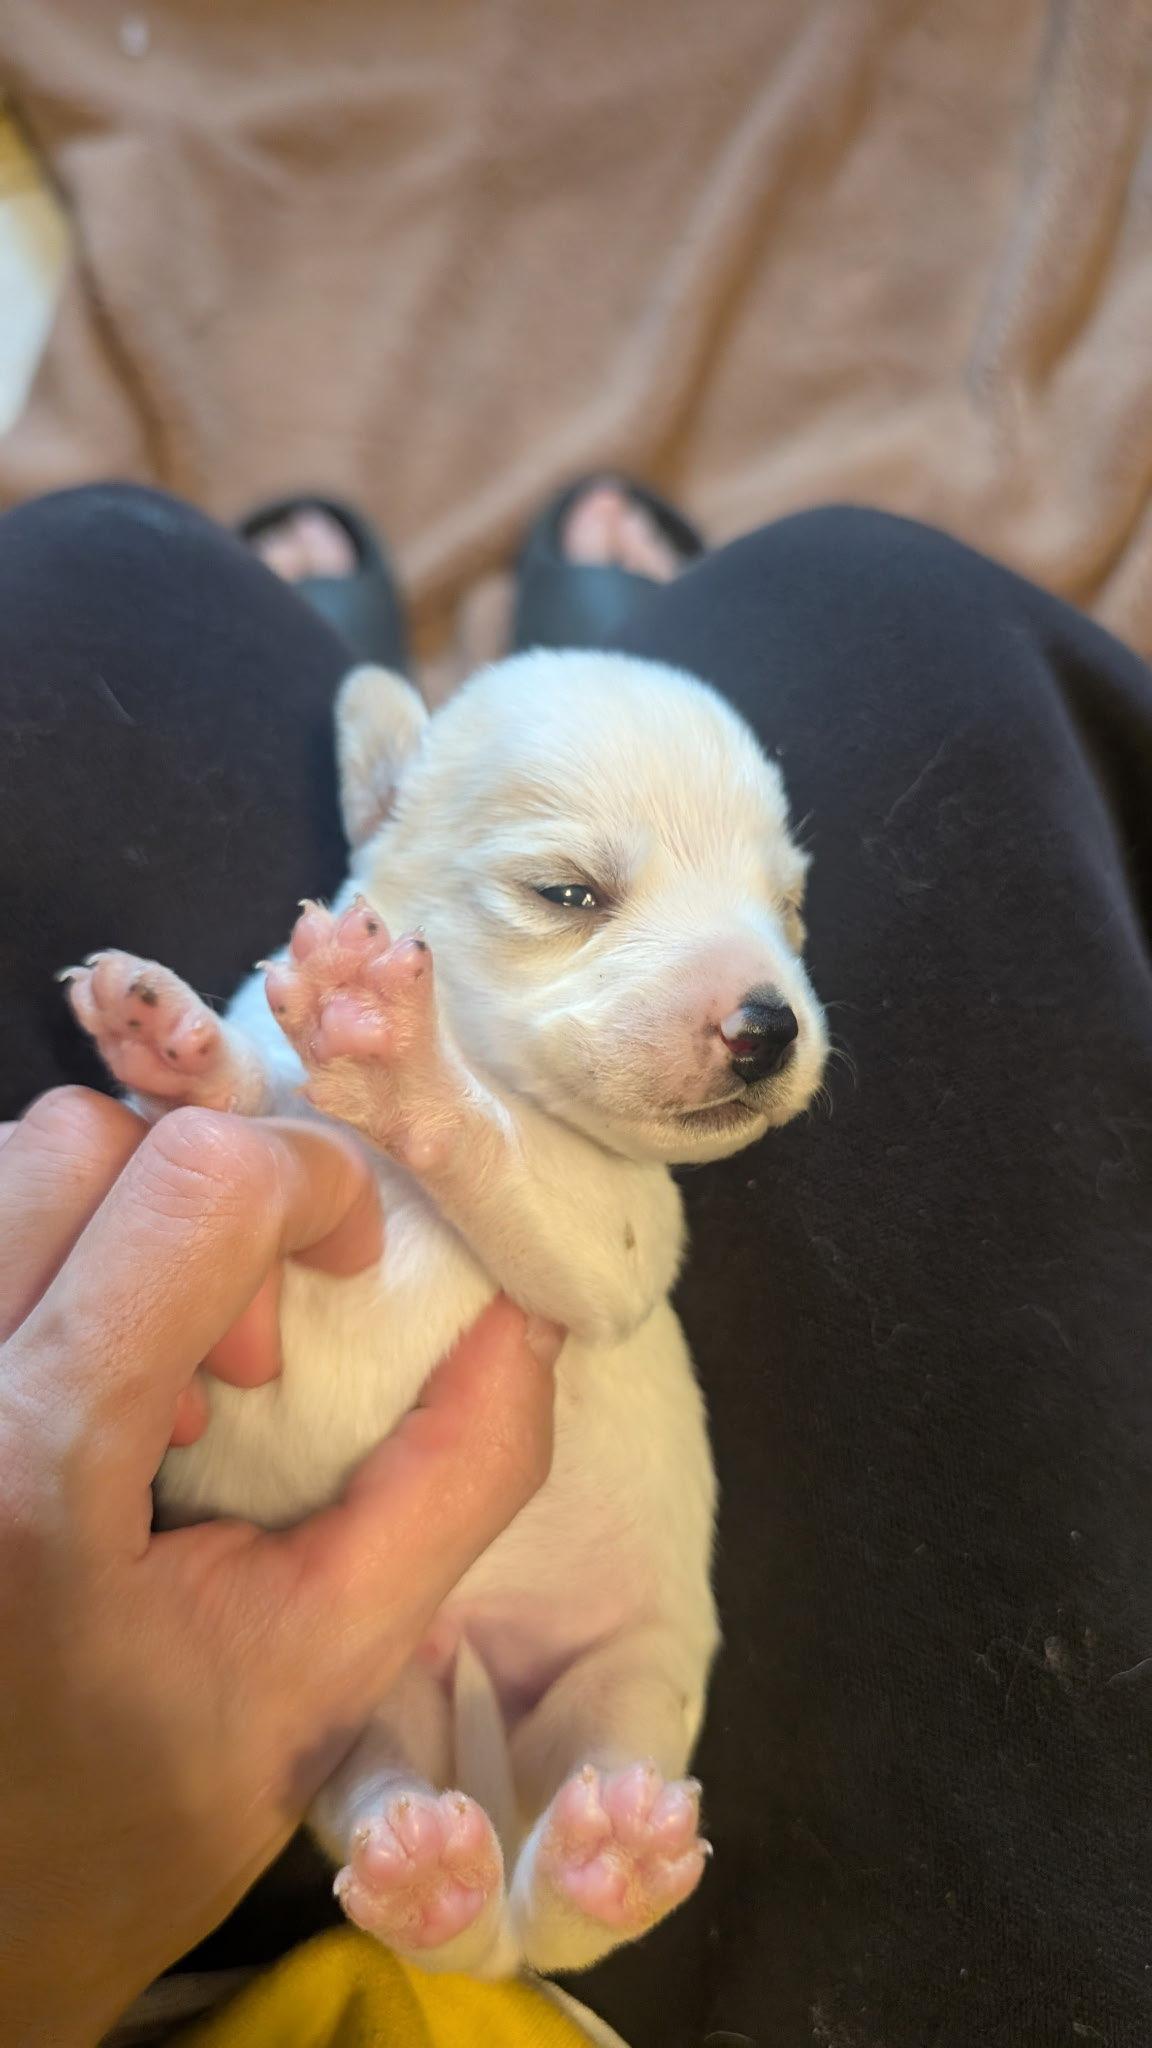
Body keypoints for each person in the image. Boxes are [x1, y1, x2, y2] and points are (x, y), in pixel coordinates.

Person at [0, 480, 1149, 2047]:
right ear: (388, 859)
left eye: (784, 911)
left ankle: (454, 682)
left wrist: (234, 1094)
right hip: (327, 1736)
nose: (762, 996)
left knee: (84, 576)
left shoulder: (449, 1062)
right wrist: (234, 1080)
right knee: (873, 597)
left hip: (306, 1708)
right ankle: (524, 1890)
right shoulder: (355, 994)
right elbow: (272, 1141)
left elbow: (292, 1197)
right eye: (572, 894)